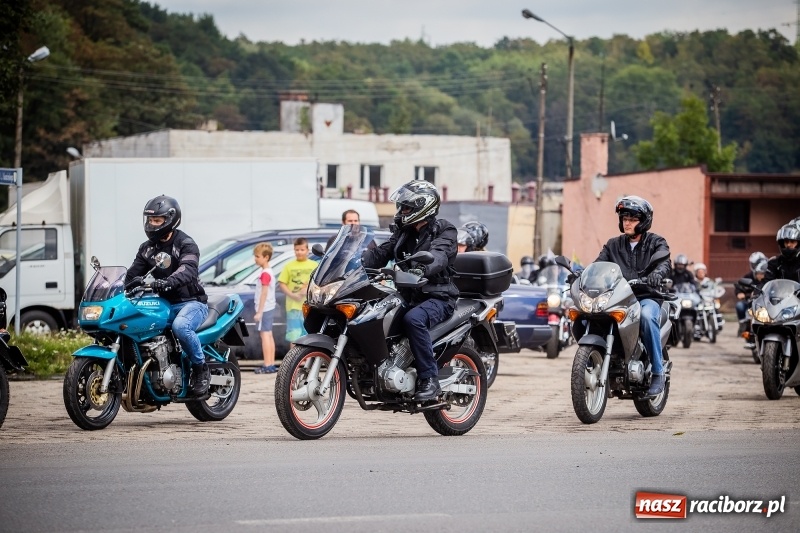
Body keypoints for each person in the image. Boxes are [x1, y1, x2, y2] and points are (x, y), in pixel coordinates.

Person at [361, 179, 458, 401]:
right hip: (408, 295)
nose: (402, 211)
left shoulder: (444, 230)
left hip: (438, 296)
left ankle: (430, 379)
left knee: (414, 320)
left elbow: (440, 255)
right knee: (374, 314)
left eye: (407, 207)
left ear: (424, 206)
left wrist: (423, 268)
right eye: (402, 207)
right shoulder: (403, 233)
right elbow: (380, 254)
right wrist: (356, 260)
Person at [125, 195, 210, 396]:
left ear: (170, 219)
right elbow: (132, 274)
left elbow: (189, 269)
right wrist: (130, 282)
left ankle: (200, 368)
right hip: (163, 303)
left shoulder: (185, 243)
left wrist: (168, 281)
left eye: (157, 220)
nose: (152, 224)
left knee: (181, 327)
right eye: (150, 220)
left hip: (191, 302)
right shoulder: (147, 249)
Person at [594, 195, 671, 396]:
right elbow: (598, 265)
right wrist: (582, 275)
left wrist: (657, 274)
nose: (627, 223)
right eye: (624, 218)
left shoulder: (656, 242)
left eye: (632, 219)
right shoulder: (613, 245)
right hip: (618, 297)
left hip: (646, 296)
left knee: (646, 316)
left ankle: (657, 372)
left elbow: (664, 262)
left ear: (643, 221)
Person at [278, 237, 318, 349]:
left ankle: (308, 360)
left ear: (307, 250)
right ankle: (293, 360)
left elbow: (318, 283)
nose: (299, 252)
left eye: (302, 249)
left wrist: (307, 290)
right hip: (293, 307)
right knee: (293, 335)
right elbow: (282, 283)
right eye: (297, 250)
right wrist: (292, 295)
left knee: (308, 334)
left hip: (309, 307)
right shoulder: (289, 266)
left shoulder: (314, 265)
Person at [253, 242, 277, 374]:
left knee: (265, 335)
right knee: (269, 334)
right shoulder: (268, 272)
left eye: (257, 256)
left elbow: (264, 293)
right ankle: (271, 363)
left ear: (266, 257)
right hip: (269, 307)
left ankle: (268, 364)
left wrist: (259, 312)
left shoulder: (265, 274)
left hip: (265, 308)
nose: (255, 259)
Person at [733, 251, 767, 334]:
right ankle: (743, 324)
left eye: (762, 273)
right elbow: (739, 285)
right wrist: (739, 293)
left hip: (765, 302)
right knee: (740, 306)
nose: (760, 275)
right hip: (749, 301)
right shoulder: (749, 276)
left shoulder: (769, 276)